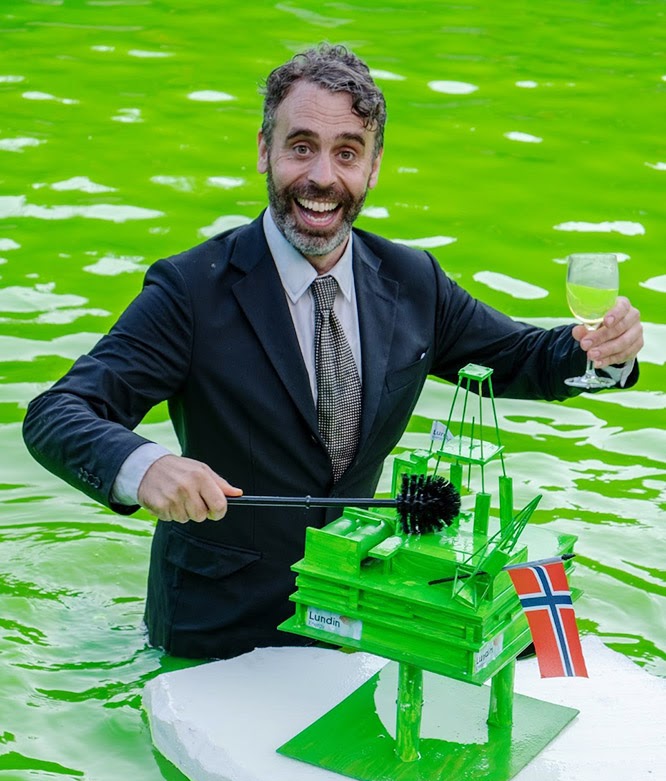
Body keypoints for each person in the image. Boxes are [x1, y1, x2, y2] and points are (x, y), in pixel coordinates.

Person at [22, 44, 643, 660]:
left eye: (347, 152)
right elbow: (58, 413)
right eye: (301, 147)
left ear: (373, 167)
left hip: (358, 619)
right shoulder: (190, 289)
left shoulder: (414, 280)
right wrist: (147, 467)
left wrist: (603, 351)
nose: (322, 177)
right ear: (263, 151)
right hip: (215, 635)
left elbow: (527, 358)